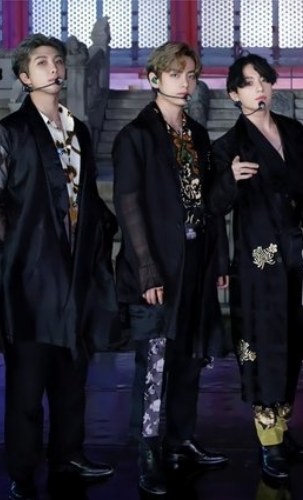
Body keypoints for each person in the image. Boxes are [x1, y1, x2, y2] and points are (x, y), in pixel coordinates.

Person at [0, 34, 117, 500]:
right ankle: (22, 470)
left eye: (57, 61)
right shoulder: (9, 132)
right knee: (27, 382)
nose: (54, 69)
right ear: (24, 76)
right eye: (41, 63)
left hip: (74, 273)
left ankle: (68, 454)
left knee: (72, 374)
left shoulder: (78, 130)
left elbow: (87, 197)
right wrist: (13, 258)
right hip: (29, 278)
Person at [112, 41, 228, 496]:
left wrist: (218, 260)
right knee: (155, 361)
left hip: (195, 259)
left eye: (191, 75)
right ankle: (148, 450)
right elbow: (128, 205)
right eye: (176, 74)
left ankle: (182, 439)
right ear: (154, 78)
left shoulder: (196, 133)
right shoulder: (136, 136)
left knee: (189, 355)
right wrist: (146, 268)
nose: (185, 83)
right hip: (157, 263)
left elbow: (209, 204)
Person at [210, 54, 303, 481]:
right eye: (249, 83)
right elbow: (212, 207)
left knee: (294, 340)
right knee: (261, 341)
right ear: (234, 94)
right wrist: (229, 179)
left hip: (299, 253)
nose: (260, 89)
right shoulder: (227, 147)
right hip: (258, 260)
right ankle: (268, 438)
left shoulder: (293, 132)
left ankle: (283, 427)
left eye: (264, 81)